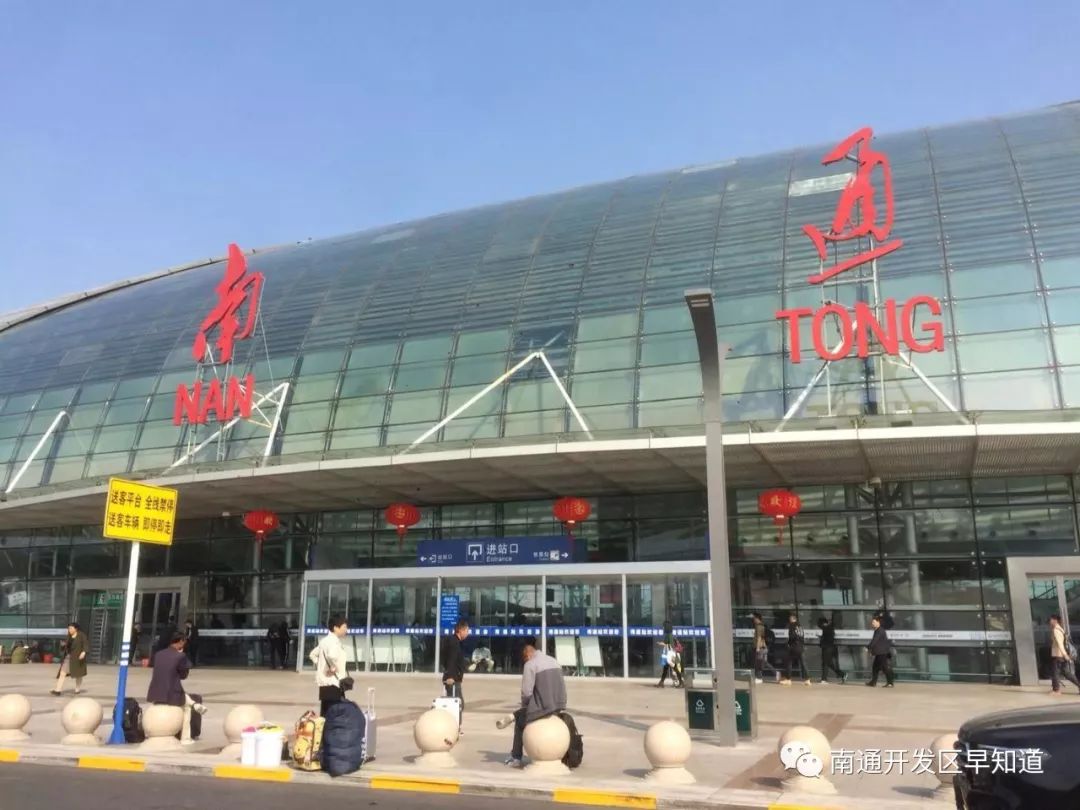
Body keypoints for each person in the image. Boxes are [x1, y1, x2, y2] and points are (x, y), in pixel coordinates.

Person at [498, 639, 567, 768]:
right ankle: (513, 715)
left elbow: (526, 693)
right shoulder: (554, 661)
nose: (525, 661)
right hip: (559, 705)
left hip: (544, 707)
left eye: (524, 659)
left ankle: (516, 757)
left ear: (527, 655)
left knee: (520, 721)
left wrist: (525, 707)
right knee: (523, 712)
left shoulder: (530, 665)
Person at [147, 632, 208, 745]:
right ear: (180, 641)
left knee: (181, 693)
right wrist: (182, 657)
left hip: (155, 692)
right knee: (187, 709)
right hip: (171, 694)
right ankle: (185, 738)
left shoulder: (159, 654)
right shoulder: (180, 656)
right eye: (184, 642)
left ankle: (194, 704)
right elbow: (183, 675)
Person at [310, 616, 349, 716]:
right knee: (335, 716)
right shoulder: (333, 642)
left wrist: (322, 665)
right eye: (344, 627)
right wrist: (333, 667)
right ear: (336, 628)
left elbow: (312, 654)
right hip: (333, 683)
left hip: (325, 684)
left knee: (325, 714)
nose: (346, 630)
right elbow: (331, 656)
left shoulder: (324, 641)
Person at [441, 619, 470, 731]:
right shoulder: (453, 643)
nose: (467, 633)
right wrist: (449, 676)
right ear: (460, 630)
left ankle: (455, 727)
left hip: (456, 677)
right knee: (456, 704)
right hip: (452, 679)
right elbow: (450, 660)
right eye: (466, 631)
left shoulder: (455, 642)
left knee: (458, 704)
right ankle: (454, 728)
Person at [51, 623, 88, 696]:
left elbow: (85, 644)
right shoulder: (69, 636)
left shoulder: (81, 635)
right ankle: (58, 690)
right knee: (62, 673)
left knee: (79, 674)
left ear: (76, 629)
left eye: (71, 628)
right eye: (69, 628)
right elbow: (67, 646)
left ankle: (77, 689)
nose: (69, 630)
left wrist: (83, 652)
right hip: (69, 657)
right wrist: (63, 645)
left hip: (78, 657)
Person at [1048, 614, 1079, 695]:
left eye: (1050, 620)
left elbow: (1060, 644)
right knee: (1066, 673)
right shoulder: (1060, 629)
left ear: (1055, 620)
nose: (1049, 622)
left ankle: (1056, 690)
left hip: (1058, 655)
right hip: (1061, 655)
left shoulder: (1056, 630)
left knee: (1055, 672)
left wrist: (1065, 655)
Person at [781, 613, 810, 686]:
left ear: (792, 619)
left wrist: (788, 643)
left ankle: (788, 679)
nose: (789, 620)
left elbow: (792, 636)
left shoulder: (792, 625)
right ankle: (807, 680)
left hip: (794, 647)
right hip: (801, 647)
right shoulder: (800, 626)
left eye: (790, 618)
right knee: (803, 663)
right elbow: (802, 637)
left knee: (789, 662)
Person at [866, 615, 895, 688]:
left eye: (874, 622)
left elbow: (875, 640)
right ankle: (873, 682)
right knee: (875, 667)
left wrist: (868, 647)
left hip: (882, 653)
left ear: (878, 622)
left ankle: (890, 683)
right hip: (880, 652)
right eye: (872, 622)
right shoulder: (878, 630)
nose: (872, 624)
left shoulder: (879, 630)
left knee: (884, 668)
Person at [655, 620, 684, 688]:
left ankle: (681, 682)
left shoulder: (668, 635)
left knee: (675, 668)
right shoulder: (670, 635)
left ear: (666, 627)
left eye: (663, 626)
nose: (663, 628)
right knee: (666, 669)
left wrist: (660, 643)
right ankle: (661, 682)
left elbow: (669, 645)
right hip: (670, 654)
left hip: (670, 655)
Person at [752, 613, 779, 684]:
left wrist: (757, 647)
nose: (753, 620)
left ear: (757, 618)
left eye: (754, 618)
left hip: (760, 648)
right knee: (764, 662)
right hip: (764, 648)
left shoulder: (758, 627)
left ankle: (759, 678)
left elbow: (759, 637)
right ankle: (776, 673)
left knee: (758, 663)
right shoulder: (762, 626)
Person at [818, 616, 846, 684]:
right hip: (829, 647)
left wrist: (821, 638)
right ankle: (842, 674)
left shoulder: (826, 628)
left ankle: (824, 679)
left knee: (825, 663)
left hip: (827, 648)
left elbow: (827, 639)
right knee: (829, 664)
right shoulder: (829, 628)